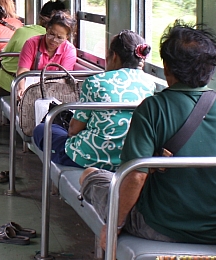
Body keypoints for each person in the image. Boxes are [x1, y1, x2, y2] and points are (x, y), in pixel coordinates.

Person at [80, 22, 216, 249]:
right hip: (215, 228)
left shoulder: (152, 108)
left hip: (158, 226)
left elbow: (135, 176)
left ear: (166, 68)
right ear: (211, 70)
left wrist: (114, 226)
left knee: (91, 175)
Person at [33, 30, 157, 168]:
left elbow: (73, 130)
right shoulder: (149, 84)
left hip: (91, 157)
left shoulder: (96, 81)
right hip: (128, 159)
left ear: (114, 56)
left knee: (42, 129)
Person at [0, 0, 66, 143]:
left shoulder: (23, 32)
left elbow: (5, 55)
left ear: (41, 17)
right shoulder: (65, 44)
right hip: (41, 84)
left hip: (13, 82)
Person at [15, 11, 78, 82]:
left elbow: (64, 77)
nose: (54, 40)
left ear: (67, 37)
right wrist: (21, 88)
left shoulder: (69, 50)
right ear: (47, 28)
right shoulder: (31, 43)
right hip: (31, 86)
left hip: (56, 86)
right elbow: (23, 72)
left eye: (59, 38)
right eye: (51, 34)